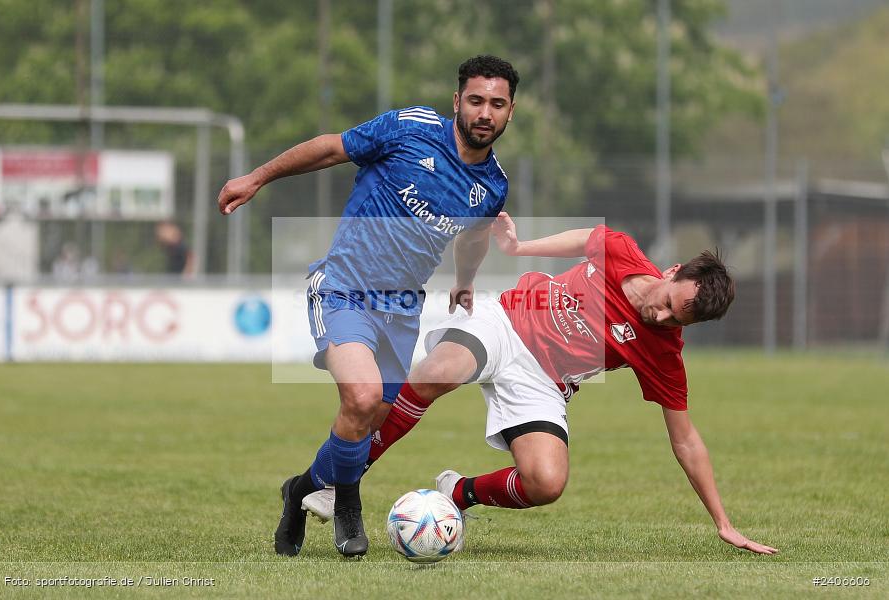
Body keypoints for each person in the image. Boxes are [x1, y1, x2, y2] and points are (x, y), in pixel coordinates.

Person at [304, 212, 779, 555]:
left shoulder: (664, 352)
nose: (664, 316)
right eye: (670, 303)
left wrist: (723, 522)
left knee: (547, 482)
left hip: (544, 383)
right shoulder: (622, 250)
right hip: (508, 320)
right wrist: (518, 248)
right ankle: (343, 482)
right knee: (438, 373)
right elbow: (586, 239)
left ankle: (458, 494)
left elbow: (686, 440)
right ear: (673, 271)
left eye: (680, 320)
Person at [217, 56, 519, 557]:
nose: (485, 112)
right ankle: (347, 502)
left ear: (511, 111)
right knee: (360, 398)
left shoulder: (492, 186)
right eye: (476, 101)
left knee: (371, 417)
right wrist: (257, 178)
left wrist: (465, 281)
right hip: (344, 287)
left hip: (402, 309)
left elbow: (474, 235)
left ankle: (299, 490)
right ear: (457, 102)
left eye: (497, 104)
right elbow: (331, 148)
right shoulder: (410, 128)